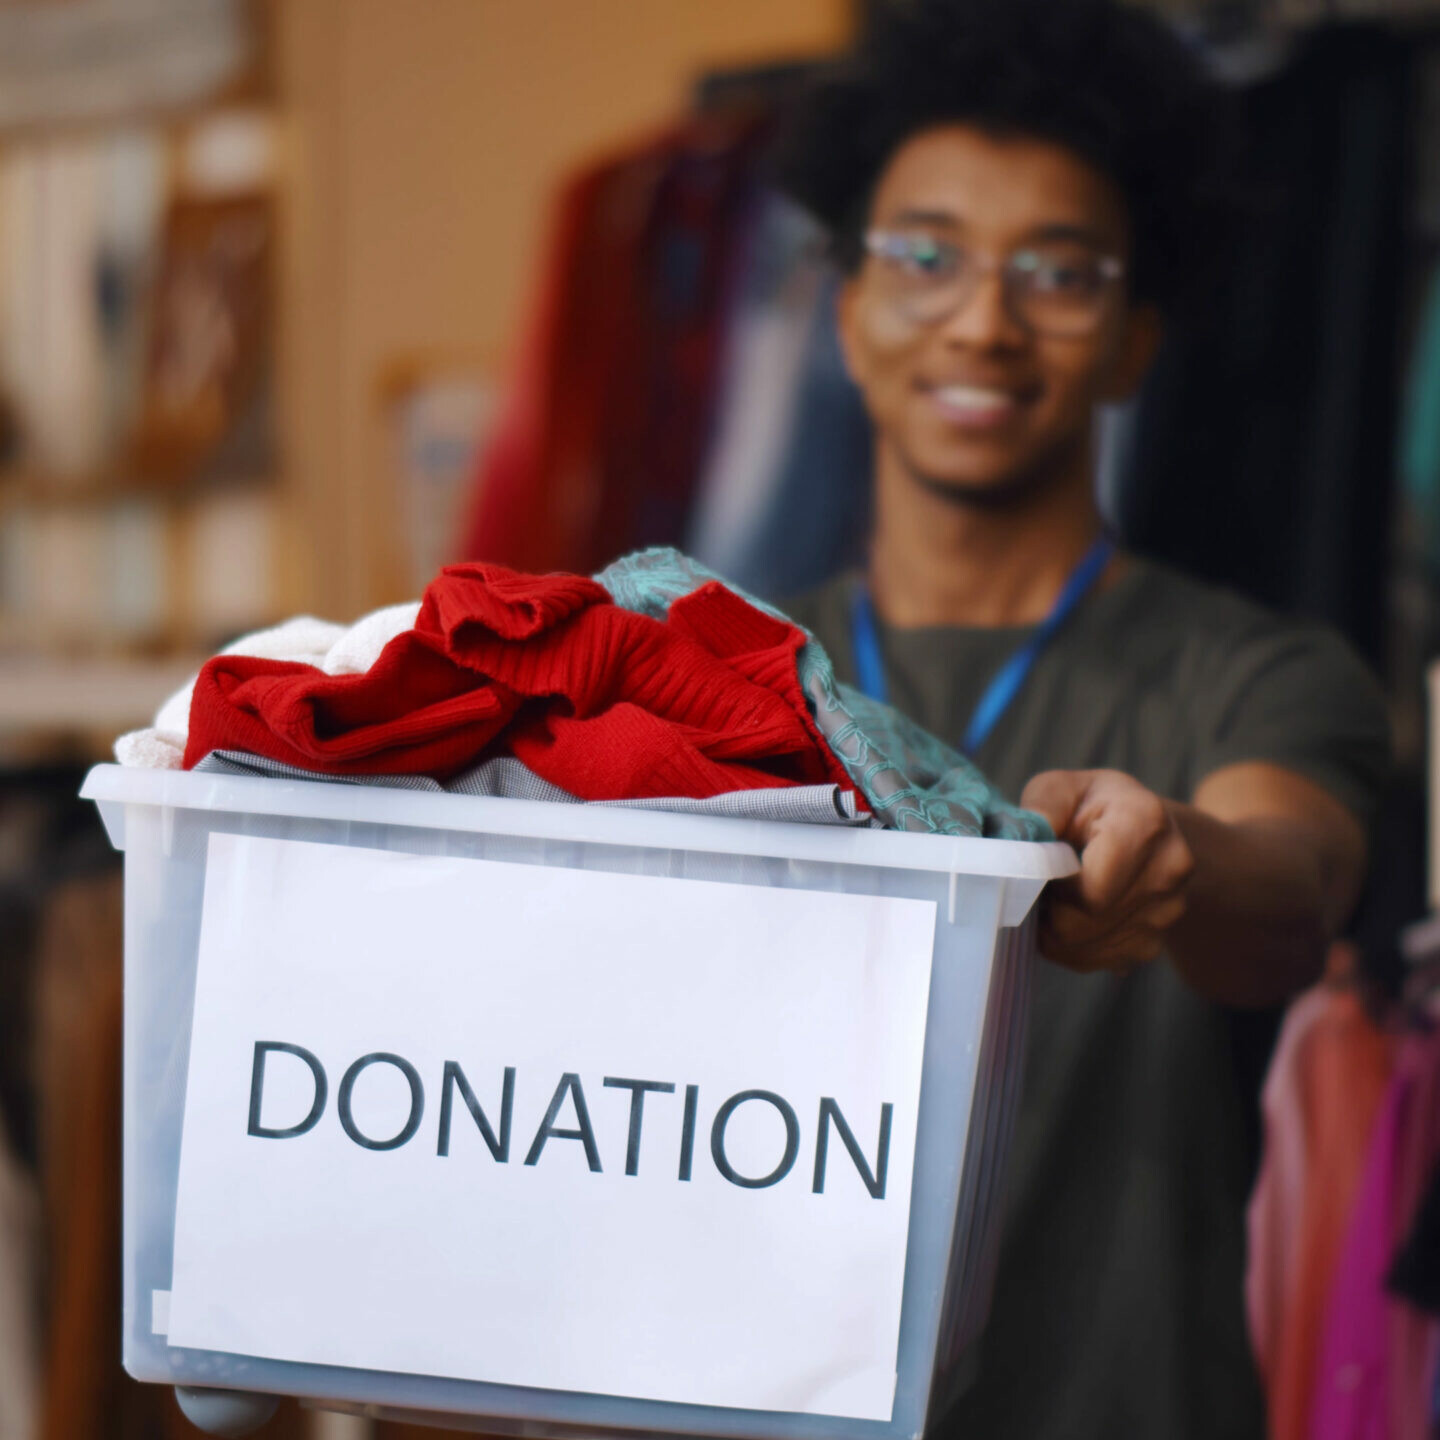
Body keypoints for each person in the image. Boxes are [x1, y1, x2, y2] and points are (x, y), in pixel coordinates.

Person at [776, 2, 1391, 1436]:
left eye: (1057, 272)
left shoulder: (1260, 675)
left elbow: (1288, 888)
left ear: (1133, 343)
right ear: (849, 314)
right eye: (925, 258)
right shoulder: (712, 674)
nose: (984, 322)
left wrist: (1174, 853)